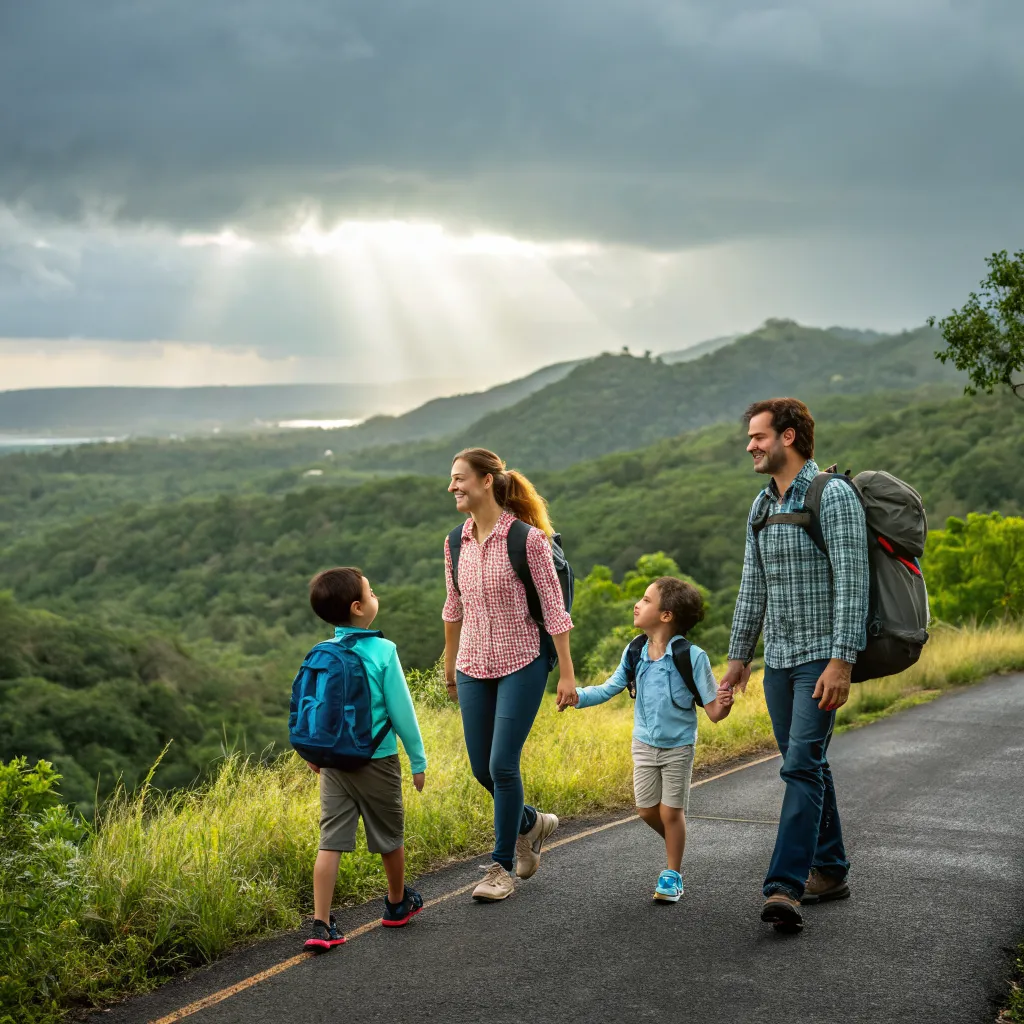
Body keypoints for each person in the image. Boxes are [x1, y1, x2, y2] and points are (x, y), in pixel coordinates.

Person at [720, 398, 869, 932]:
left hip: (820, 657)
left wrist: (842, 660)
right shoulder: (761, 507)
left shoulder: (833, 496)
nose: (750, 445)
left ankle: (785, 886)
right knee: (806, 764)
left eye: (758, 436)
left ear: (788, 437)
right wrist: (739, 659)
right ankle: (830, 868)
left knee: (800, 767)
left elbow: (854, 582)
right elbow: (751, 589)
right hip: (779, 660)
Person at [442, 447, 576, 902]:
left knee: (502, 764)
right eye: (451, 479)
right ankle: (532, 823)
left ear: (486, 481)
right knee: (482, 767)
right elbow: (453, 607)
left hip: (523, 661)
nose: (453, 487)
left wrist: (566, 675)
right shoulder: (454, 542)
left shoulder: (528, 541)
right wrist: (449, 663)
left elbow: (555, 612)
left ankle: (500, 868)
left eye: (460, 478)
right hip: (473, 664)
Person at [559, 577, 733, 902]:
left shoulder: (692, 656)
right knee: (645, 810)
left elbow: (712, 711)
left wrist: (723, 706)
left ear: (666, 615)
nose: (637, 604)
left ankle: (672, 874)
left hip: (679, 746)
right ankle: (675, 843)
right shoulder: (635, 650)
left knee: (670, 812)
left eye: (646, 599)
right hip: (643, 744)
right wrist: (577, 696)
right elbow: (610, 686)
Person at [302, 566, 428, 952]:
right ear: (358, 608)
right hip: (378, 759)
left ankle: (321, 924)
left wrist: (313, 751)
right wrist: (418, 760)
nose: (376, 598)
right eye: (371, 593)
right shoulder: (383, 651)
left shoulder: (322, 654)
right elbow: (402, 712)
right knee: (389, 835)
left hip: (334, 763)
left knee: (331, 841)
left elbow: (314, 709)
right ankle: (395, 903)